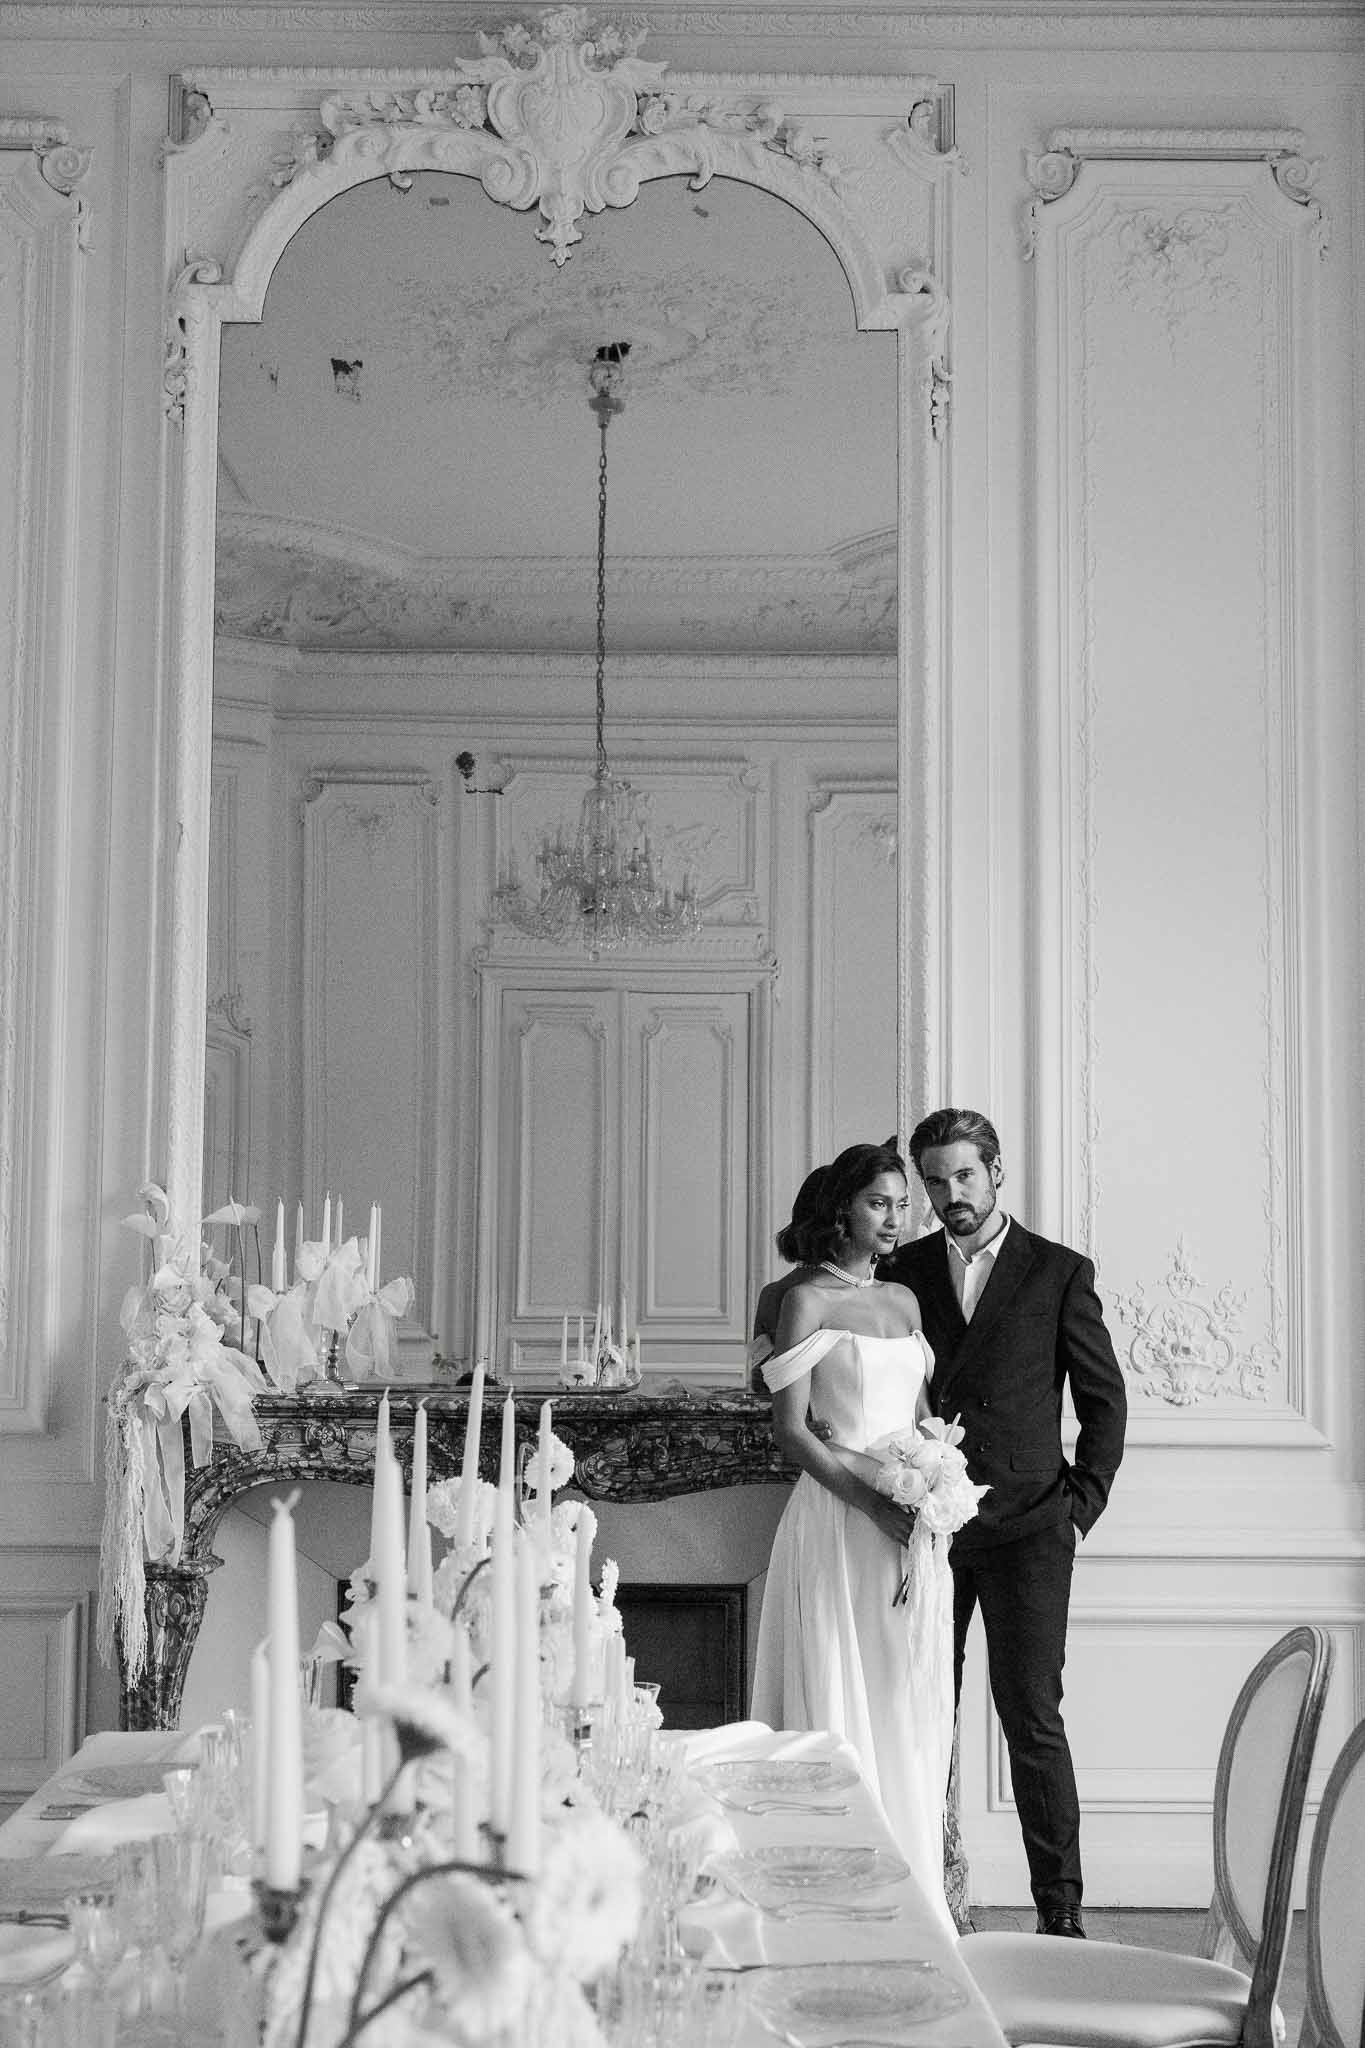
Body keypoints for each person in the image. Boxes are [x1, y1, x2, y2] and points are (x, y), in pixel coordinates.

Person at [880, 1108, 1127, 1939]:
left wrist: (1076, 1509)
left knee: (1031, 1718)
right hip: (926, 1529)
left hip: (1028, 1528)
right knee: (920, 1710)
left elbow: (1102, 1401)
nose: (950, 1194)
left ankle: (1060, 1911)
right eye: (935, 1181)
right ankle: (927, 1895)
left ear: (995, 1172)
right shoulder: (901, 1269)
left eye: (964, 1176)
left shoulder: (1056, 1270)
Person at [749, 1143, 956, 1935]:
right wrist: (870, 1503)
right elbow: (794, 1433)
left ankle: (909, 1892)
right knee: (841, 1682)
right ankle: (831, 1898)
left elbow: (920, 1415)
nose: (895, 1216)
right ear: (843, 1210)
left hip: (910, 1521)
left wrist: (934, 1478)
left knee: (906, 1691)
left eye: (901, 1203)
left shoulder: (904, 1301)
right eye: (878, 1202)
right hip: (842, 1517)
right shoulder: (804, 1302)